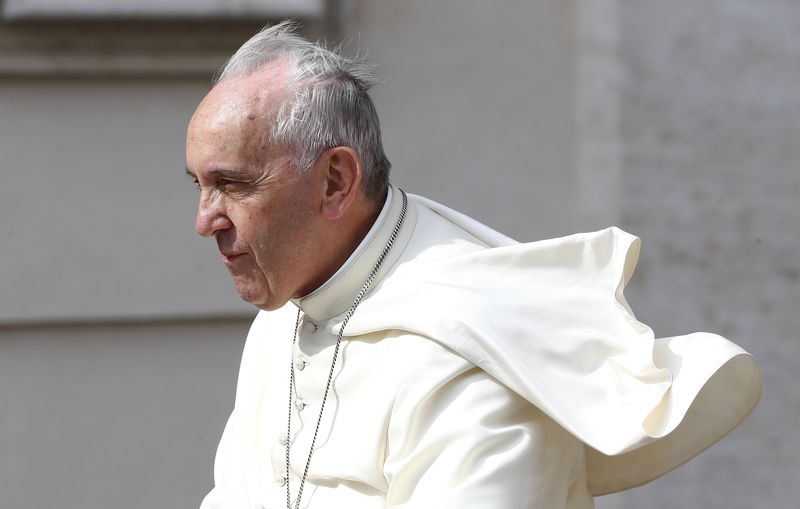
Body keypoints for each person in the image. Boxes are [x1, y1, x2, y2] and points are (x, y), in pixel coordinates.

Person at [186, 22, 761, 509]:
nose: (206, 220)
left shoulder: (474, 355)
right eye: (201, 186)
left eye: (233, 186)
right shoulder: (285, 311)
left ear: (335, 181)